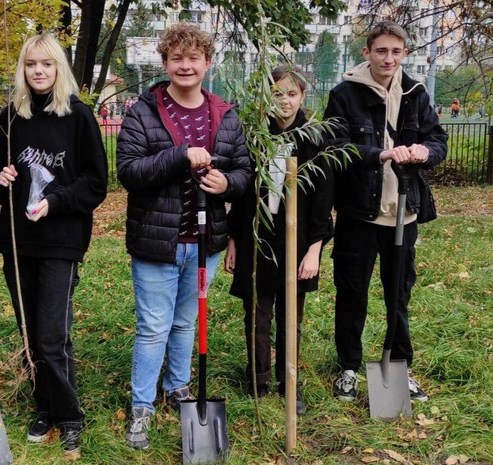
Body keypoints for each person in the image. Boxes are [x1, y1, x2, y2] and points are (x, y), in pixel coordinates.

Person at [117, 22, 251, 450]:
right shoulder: (143, 112)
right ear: (165, 63)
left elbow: (244, 172)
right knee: (153, 326)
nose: (185, 65)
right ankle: (142, 405)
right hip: (158, 242)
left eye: (194, 58)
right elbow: (128, 172)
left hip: (204, 243)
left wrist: (227, 184)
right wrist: (178, 156)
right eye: (177, 58)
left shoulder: (224, 115)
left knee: (185, 322)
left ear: (207, 63)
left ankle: (177, 386)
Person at [0, 33, 108, 458]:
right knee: (30, 331)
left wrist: (55, 202)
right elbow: (1, 171)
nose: (38, 71)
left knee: (52, 334)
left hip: (61, 240)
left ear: (59, 68)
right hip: (20, 243)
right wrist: (2, 177)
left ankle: (70, 416)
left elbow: (96, 183)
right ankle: (45, 406)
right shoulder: (11, 117)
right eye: (30, 64)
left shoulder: (78, 116)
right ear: (22, 70)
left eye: (46, 64)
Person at [323, 21, 447, 404]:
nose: (388, 58)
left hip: (403, 214)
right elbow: (334, 146)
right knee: (352, 293)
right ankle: (348, 368)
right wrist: (379, 155)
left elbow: (438, 140)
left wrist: (425, 152)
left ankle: (398, 367)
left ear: (404, 54)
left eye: (395, 51)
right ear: (367, 53)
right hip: (358, 215)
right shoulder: (345, 95)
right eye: (381, 51)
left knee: (398, 294)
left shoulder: (415, 93)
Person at [224, 64, 334, 415]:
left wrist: (314, 250)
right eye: (277, 93)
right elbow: (242, 194)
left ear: (302, 96)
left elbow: (323, 201)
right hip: (258, 237)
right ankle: (258, 379)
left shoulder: (314, 139)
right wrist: (234, 240)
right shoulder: (254, 137)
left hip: (297, 240)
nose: (284, 101)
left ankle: (289, 382)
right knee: (257, 314)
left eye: (291, 94)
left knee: (290, 315)